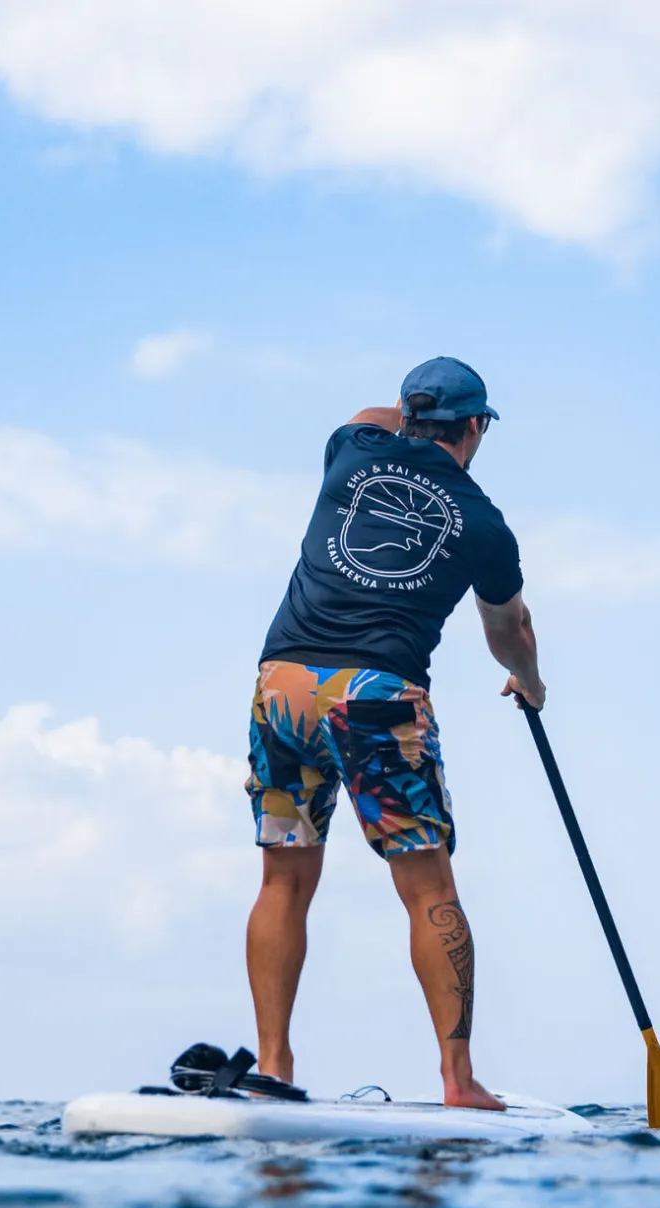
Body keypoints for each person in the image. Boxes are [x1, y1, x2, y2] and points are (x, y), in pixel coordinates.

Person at [244, 356, 545, 1110]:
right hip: (376, 694)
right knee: (429, 889)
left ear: (410, 416)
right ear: (477, 428)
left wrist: (408, 416)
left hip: (282, 686)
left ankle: (273, 1068)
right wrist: (531, 685)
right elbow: (511, 629)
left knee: (284, 879)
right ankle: (457, 1080)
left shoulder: (353, 450)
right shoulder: (482, 523)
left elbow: (366, 412)